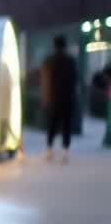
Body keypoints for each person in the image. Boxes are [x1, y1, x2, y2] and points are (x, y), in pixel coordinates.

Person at [41, 34, 78, 163]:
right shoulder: (71, 61)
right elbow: (75, 81)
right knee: (66, 126)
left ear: (54, 45)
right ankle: (65, 152)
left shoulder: (49, 61)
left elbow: (46, 82)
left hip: (53, 100)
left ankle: (49, 150)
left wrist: (45, 99)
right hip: (68, 99)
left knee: (52, 125)